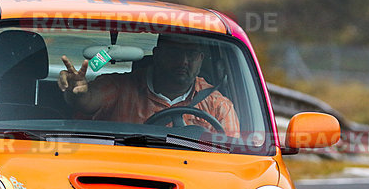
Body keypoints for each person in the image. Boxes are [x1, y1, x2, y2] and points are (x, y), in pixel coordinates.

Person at [58, 34, 240, 137]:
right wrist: (77, 92)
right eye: (174, 52)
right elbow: (86, 101)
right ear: (157, 55)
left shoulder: (218, 106)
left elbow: (232, 159)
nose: (183, 61)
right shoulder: (120, 87)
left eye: (191, 54)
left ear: (200, 59)